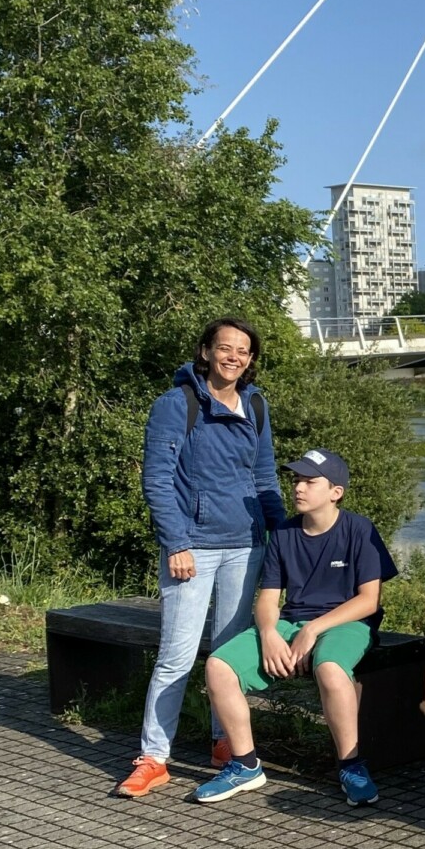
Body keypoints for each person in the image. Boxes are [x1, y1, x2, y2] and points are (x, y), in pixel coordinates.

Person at [118, 318, 285, 798]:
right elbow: (157, 479)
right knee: (177, 654)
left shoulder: (255, 404)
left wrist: (281, 536)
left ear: (250, 360)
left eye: (243, 351)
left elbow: (264, 476)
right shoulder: (177, 404)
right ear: (207, 352)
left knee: (227, 654)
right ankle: (154, 757)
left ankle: (224, 742)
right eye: (225, 348)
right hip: (192, 548)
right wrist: (176, 543)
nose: (234, 357)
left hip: (246, 545)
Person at [194, 449, 398, 806]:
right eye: (296, 480)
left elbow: (369, 601)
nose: (299, 488)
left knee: (330, 669)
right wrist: (270, 634)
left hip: (346, 623)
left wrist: (313, 629)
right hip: (291, 624)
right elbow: (267, 600)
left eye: (309, 481)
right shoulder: (284, 533)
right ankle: (245, 765)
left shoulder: (359, 529)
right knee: (218, 667)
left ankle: (351, 766)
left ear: (336, 492)